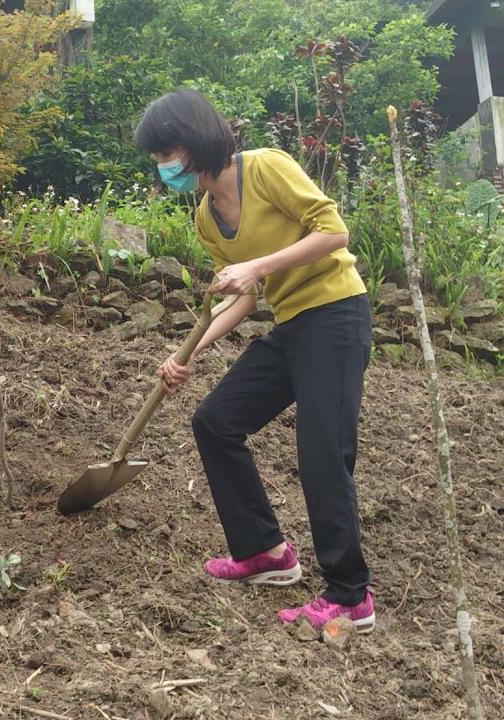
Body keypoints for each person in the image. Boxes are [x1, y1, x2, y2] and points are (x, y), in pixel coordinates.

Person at [134, 89, 375, 633]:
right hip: (292, 326)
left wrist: (259, 265)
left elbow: (334, 231)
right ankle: (265, 551)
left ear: (193, 139)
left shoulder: (266, 168)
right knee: (216, 421)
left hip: (336, 313)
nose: (162, 165)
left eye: (166, 150)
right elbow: (242, 299)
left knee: (319, 451)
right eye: (156, 156)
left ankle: (351, 595)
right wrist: (185, 354)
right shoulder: (205, 217)